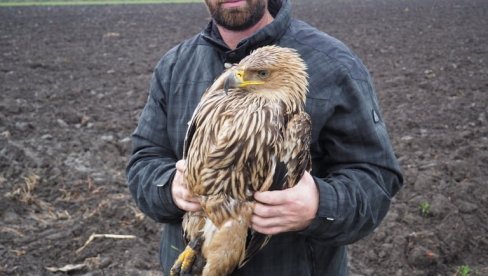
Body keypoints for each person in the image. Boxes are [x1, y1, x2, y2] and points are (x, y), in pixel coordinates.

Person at [126, 0, 403, 275]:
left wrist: (320, 205)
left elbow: (377, 180)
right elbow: (143, 162)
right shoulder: (175, 66)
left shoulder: (333, 64)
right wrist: (170, 187)